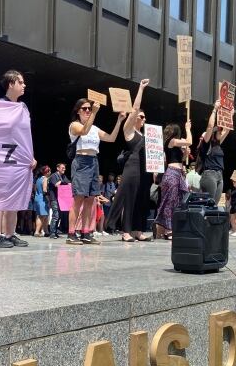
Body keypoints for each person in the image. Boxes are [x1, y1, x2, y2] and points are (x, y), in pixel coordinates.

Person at [67, 99, 125, 245]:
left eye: (89, 109)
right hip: (81, 160)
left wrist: (119, 121)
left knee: (91, 200)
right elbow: (83, 131)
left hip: (93, 161)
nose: (87, 111)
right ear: (78, 111)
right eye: (85, 108)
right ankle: (71, 233)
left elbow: (111, 138)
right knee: (78, 199)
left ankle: (86, 232)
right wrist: (94, 112)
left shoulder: (94, 128)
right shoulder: (75, 125)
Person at [0, 70, 36, 248]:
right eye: (21, 82)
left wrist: (31, 155)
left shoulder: (23, 108)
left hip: (20, 159)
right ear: (11, 84)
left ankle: (9, 234)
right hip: (2, 158)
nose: (24, 85)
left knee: (14, 199)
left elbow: (25, 135)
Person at [106, 79, 153, 242]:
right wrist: (141, 89)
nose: (143, 118)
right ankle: (125, 231)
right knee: (128, 199)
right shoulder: (129, 131)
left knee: (141, 199)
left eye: (144, 117)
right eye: (141, 116)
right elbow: (134, 109)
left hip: (144, 170)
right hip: (132, 168)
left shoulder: (146, 135)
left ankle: (137, 230)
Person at [154, 121, 192, 239]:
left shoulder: (174, 144)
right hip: (172, 174)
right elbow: (190, 141)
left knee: (181, 199)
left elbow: (181, 159)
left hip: (179, 174)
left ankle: (172, 227)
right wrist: (188, 128)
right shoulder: (172, 141)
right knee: (170, 201)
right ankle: (168, 230)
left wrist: (185, 153)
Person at [199, 100, 231, 205]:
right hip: (209, 174)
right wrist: (215, 109)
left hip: (219, 175)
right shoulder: (206, 144)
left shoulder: (218, 144)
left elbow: (227, 129)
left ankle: (209, 221)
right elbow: (210, 126)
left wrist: (230, 114)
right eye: (218, 130)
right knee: (209, 203)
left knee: (214, 204)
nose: (221, 131)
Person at [47, 162, 69, 239]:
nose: (64, 169)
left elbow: (69, 183)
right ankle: (52, 233)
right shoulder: (53, 176)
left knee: (59, 216)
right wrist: (62, 182)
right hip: (54, 199)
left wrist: (66, 183)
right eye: (62, 168)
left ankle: (55, 232)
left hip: (61, 199)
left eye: (65, 168)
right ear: (58, 168)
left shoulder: (63, 176)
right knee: (55, 215)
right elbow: (56, 185)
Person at [33, 166, 51, 236]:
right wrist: (48, 199)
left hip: (37, 198)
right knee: (42, 216)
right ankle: (37, 231)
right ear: (47, 172)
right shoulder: (45, 179)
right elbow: (44, 190)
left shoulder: (38, 179)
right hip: (43, 199)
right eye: (49, 171)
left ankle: (46, 231)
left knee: (44, 215)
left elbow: (35, 189)